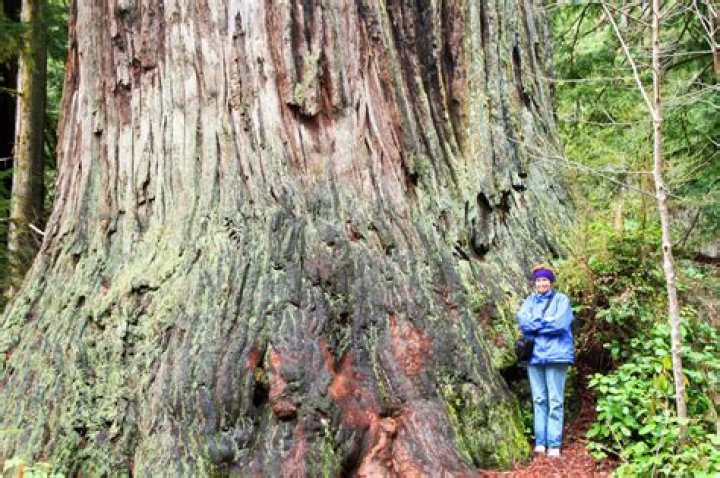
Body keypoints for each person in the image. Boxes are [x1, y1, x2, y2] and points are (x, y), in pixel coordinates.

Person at [515, 263, 574, 458]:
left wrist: (536, 324)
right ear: (535, 282)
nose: (541, 283)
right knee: (539, 399)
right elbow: (523, 322)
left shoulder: (561, 300)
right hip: (534, 356)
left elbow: (560, 324)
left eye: (545, 280)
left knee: (555, 400)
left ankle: (554, 444)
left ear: (551, 281)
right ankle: (540, 443)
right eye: (539, 280)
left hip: (557, 356)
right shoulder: (529, 301)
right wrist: (546, 321)